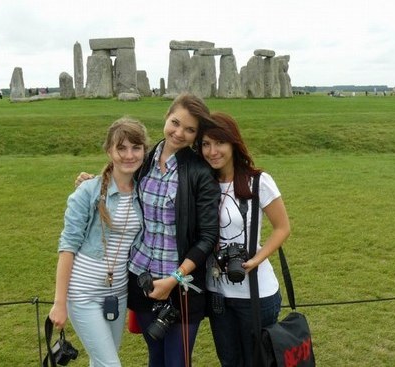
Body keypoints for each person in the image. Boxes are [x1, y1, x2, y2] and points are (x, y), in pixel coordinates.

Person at [77, 93, 221, 367]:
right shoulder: (146, 160)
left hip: (181, 285)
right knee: (155, 356)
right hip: (141, 277)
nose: (179, 133)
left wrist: (174, 279)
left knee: (177, 362)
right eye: (175, 122)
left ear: (196, 135)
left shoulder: (199, 172)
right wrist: (93, 182)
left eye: (190, 129)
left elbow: (208, 236)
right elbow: (121, 173)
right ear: (166, 117)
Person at [49, 117, 149, 367]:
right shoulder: (88, 191)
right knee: (110, 365)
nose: (129, 155)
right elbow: (67, 247)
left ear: (144, 151)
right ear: (109, 151)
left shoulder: (145, 192)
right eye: (121, 148)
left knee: (102, 361)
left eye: (136, 148)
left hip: (117, 293)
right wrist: (60, 303)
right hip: (83, 293)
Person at [201, 112, 291, 367]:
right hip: (217, 292)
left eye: (219, 142)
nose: (212, 151)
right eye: (206, 144)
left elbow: (282, 228)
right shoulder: (201, 182)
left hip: (256, 293)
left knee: (259, 361)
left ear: (233, 143)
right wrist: (99, 180)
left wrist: (255, 260)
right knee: (229, 361)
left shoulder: (258, 181)